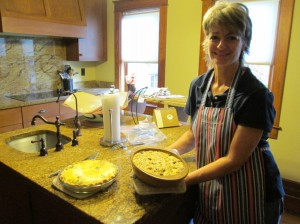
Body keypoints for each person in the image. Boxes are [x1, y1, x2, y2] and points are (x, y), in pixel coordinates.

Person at [166, 1, 284, 223]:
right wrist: (165, 155)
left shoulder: (255, 94)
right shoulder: (199, 85)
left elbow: (233, 160)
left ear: (244, 42)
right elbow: (193, 134)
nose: (221, 45)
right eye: (214, 36)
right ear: (206, 40)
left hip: (254, 191)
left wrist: (182, 180)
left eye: (231, 37)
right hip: (213, 184)